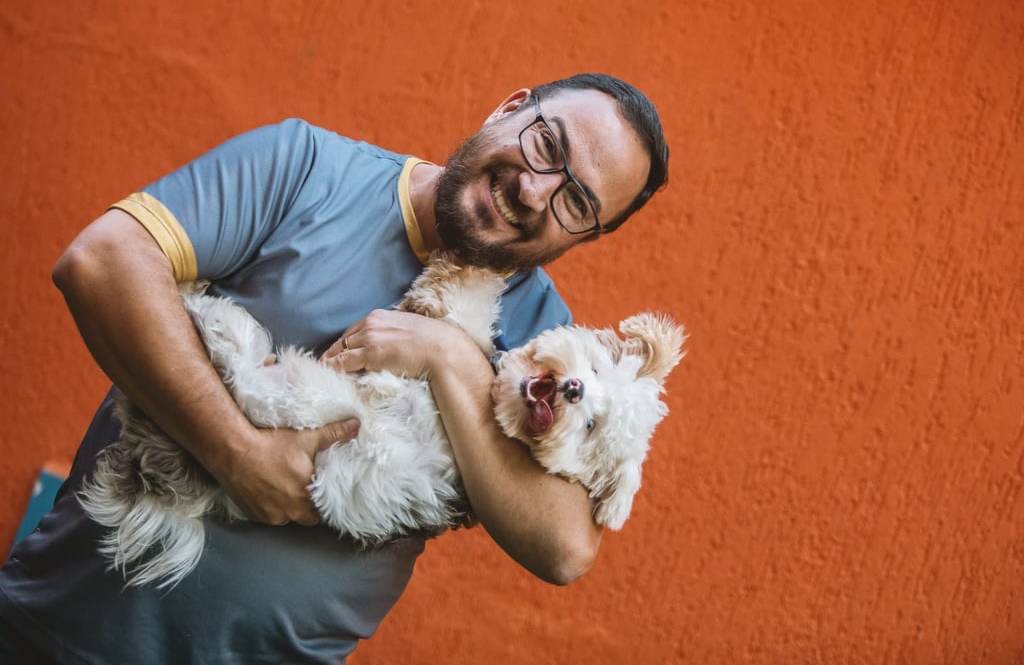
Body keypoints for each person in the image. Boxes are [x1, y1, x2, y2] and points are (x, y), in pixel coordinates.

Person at [0, 73, 669, 662]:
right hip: (57, 627)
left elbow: (564, 549)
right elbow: (101, 261)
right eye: (546, 144)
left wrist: (446, 357)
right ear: (509, 108)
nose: (532, 188)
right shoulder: (307, 168)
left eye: (576, 202)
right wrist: (237, 454)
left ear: (586, 237)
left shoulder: (546, 348)